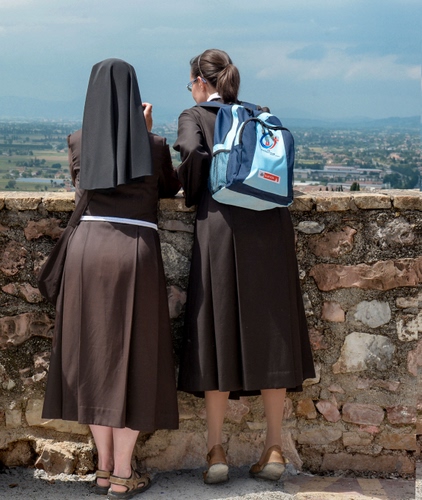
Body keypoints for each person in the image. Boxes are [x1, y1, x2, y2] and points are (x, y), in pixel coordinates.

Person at [174, 49, 315, 484]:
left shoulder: (195, 115)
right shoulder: (260, 113)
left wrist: (193, 193)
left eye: (191, 83)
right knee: (272, 334)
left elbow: (191, 155)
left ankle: (216, 451)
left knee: (217, 331)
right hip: (270, 227)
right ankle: (273, 448)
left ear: (201, 82)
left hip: (221, 227)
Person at [42, 58, 180, 498]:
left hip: (86, 251)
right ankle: (123, 472)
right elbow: (169, 187)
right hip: (134, 253)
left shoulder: (78, 141)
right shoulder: (154, 145)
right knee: (138, 357)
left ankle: (103, 468)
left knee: (94, 358)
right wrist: (146, 131)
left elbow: (82, 184)